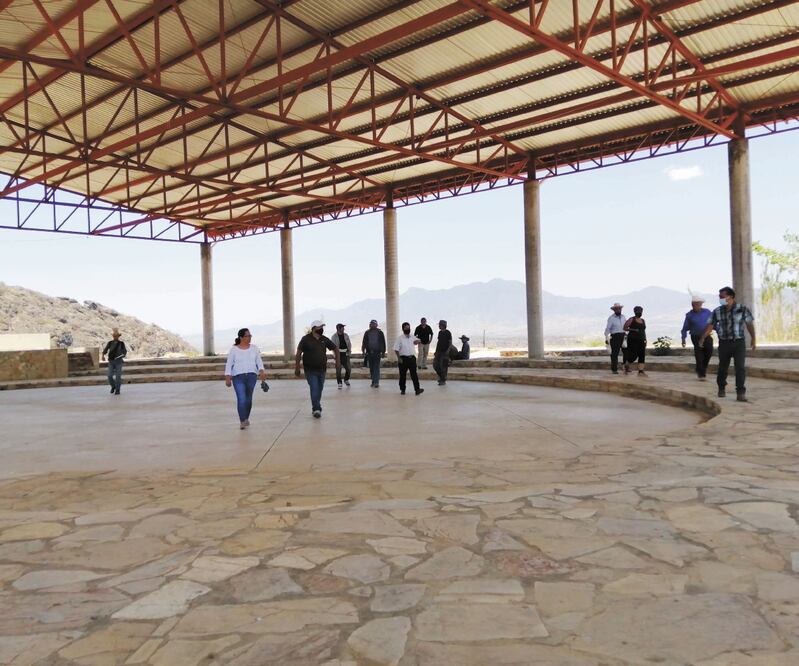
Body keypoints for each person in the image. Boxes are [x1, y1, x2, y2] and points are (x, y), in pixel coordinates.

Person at [700, 286, 755, 401]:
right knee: (723, 367)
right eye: (719, 297)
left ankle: (740, 392)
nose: (720, 299)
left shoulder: (742, 309)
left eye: (722, 297)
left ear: (731, 297)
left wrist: (753, 338)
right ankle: (721, 387)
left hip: (739, 342)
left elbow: (749, 324)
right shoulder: (717, 311)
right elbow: (710, 325)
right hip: (724, 343)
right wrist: (703, 337)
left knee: (740, 367)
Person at [224, 328, 267, 429]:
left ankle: (246, 417)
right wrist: (227, 377)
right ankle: (242, 420)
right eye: (247, 336)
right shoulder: (234, 349)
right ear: (241, 337)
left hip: (251, 376)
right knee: (241, 398)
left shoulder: (254, 348)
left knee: (248, 399)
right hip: (238, 377)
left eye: (250, 335)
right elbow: (229, 364)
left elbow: (259, 361)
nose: (250, 337)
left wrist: (262, 372)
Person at [295, 320, 340, 418]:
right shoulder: (305, 339)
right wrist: (297, 367)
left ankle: (316, 405)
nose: (321, 329)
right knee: (314, 388)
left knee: (319, 389)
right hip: (310, 370)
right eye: (320, 327)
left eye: (322, 327)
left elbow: (335, 349)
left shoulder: (324, 339)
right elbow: (298, 353)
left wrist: (338, 362)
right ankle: (316, 408)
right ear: (314, 328)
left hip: (322, 370)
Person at [681, 297, 714, 379]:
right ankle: (701, 373)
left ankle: (702, 368)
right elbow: (685, 328)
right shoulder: (689, 315)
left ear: (701, 304)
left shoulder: (707, 312)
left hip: (707, 335)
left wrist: (719, 330)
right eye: (693, 304)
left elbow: (713, 323)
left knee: (709, 351)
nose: (695, 305)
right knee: (699, 354)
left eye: (697, 304)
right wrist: (683, 338)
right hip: (695, 336)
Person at [394, 322, 424, 396]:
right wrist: (399, 358)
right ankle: (402, 389)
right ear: (403, 329)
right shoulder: (400, 338)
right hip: (403, 359)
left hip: (412, 358)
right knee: (402, 375)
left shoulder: (412, 337)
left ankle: (417, 390)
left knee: (414, 375)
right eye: (406, 327)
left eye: (408, 327)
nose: (408, 329)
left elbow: (419, 340)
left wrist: (417, 341)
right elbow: (396, 349)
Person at [101, 327, 127, 395]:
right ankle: (113, 386)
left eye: (116, 336)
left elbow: (124, 351)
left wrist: (123, 355)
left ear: (118, 336)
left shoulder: (121, 343)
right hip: (111, 362)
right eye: (114, 336)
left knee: (118, 376)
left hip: (119, 362)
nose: (115, 337)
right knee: (109, 376)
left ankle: (117, 390)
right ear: (113, 336)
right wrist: (103, 356)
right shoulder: (110, 343)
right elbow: (105, 350)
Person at [361, 319, 386, 388]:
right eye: (371, 324)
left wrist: (383, 352)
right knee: (371, 368)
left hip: (377, 353)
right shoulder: (367, 332)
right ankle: (373, 381)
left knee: (376, 367)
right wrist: (363, 351)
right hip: (369, 353)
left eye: (374, 324)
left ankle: (376, 382)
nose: (372, 325)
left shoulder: (380, 332)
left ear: (377, 325)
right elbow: (364, 342)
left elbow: (383, 342)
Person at [623, 306, 647, 376]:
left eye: (640, 311)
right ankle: (626, 365)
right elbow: (625, 328)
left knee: (642, 355)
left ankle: (641, 371)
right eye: (638, 311)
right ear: (635, 312)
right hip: (632, 340)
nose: (639, 312)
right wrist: (633, 330)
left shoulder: (643, 321)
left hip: (641, 340)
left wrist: (645, 339)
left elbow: (643, 331)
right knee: (633, 355)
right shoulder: (631, 319)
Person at [604, 302, 626, 374]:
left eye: (619, 309)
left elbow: (625, 326)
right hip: (615, 336)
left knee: (626, 352)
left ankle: (625, 367)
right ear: (614, 310)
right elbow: (608, 329)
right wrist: (606, 338)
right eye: (617, 309)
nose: (618, 310)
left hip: (623, 335)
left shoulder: (623, 317)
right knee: (614, 353)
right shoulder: (611, 318)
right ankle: (614, 369)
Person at [330, 323, 352, 389]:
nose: (344, 329)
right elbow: (333, 347)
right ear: (338, 329)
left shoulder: (346, 335)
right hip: (338, 355)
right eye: (342, 328)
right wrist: (335, 355)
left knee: (349, 369)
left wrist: (349, 351)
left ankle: (346, 379)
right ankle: (339, 382)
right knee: (338, 370)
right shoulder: (334, 336)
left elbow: (349, 344)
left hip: (346, 354)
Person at [433, 319, 453, 385]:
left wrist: (448, 351)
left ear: (443, 325)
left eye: (440, 325)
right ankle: (442, 377)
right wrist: (436, 351)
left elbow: (450, 343)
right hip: (439, 351)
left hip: (445, 352)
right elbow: (438, 342)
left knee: (443, 366)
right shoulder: (440, 333)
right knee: (435, 365)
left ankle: (443, 380)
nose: (439, 326)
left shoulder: (448, 333)